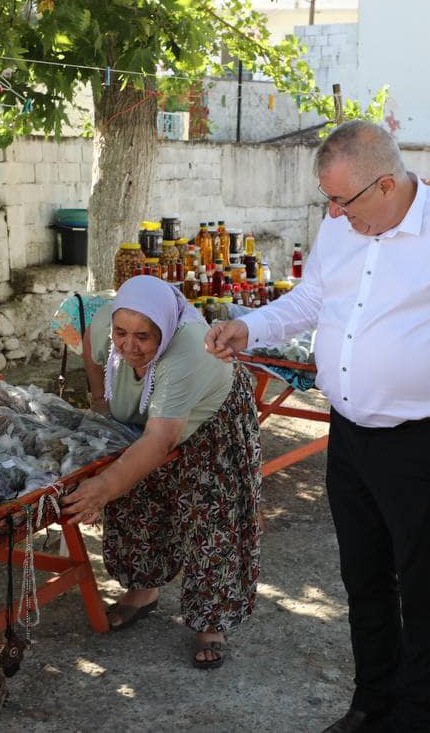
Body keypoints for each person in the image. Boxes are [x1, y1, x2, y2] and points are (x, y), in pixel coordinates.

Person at [205, 120, 430, 732]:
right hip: (351, 436)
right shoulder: (341, 226)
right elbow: (310, 300)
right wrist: (251, 326)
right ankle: (370, 700)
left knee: (423, 584)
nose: (332, 213)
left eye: (342, 200)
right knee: (363, 577)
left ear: (386, 184)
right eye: (326, 200)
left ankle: (415, 717)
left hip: (426, 442)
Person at [62, 275, 262, 670]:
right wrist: (100, 399)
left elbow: (160, 441)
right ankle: (144, 591)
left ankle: (211, 623)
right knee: (139, 497)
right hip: (152, 420)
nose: (128, 345)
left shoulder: (191, 351)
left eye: (143, 337)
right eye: (122, 334)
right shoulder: (113, 321)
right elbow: (91, 342)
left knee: (210, 517)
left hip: (211, 421)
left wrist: (103, 487)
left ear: (165, 332)